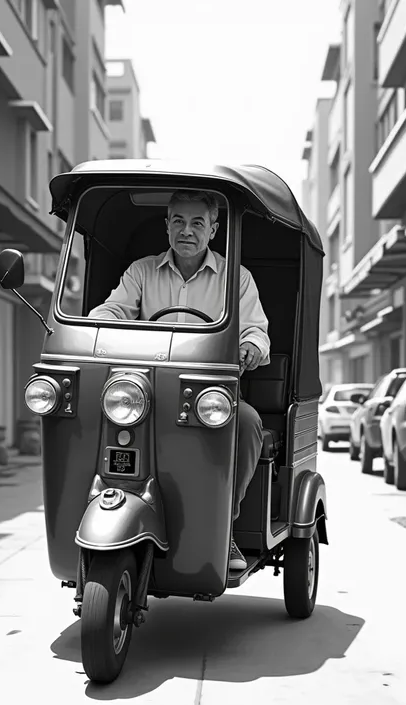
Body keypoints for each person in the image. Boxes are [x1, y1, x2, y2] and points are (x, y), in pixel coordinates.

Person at [89, 190, 271, 571]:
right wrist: (96, 323)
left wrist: (251, 346)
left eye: (197, 223)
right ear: (167, 226)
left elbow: (257, 331)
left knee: (250, 424)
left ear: (214, 229)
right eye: (178, 221)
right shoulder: (141, 271)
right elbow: (113, 309)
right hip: (147, 392)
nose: (187, 231)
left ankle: (226, 530)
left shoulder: (237, 277)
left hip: (210, 397)